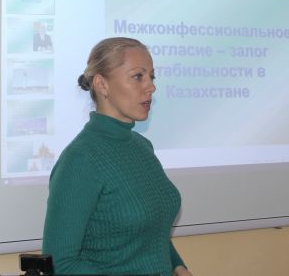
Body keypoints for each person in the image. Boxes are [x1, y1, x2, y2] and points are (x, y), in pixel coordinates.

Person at [42, 37, 192, 276]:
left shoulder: (142, 146)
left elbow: (151, 232)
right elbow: (60, 264)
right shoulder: (81, 159)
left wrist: (178, 266)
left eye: (152, 77)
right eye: (138, 76)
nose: (151, 87)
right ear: (102, 85)